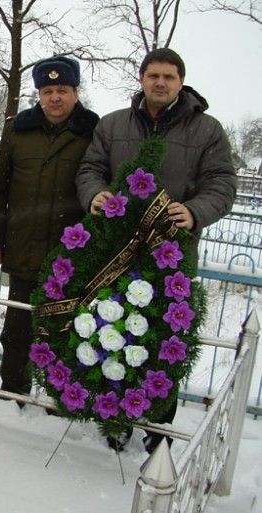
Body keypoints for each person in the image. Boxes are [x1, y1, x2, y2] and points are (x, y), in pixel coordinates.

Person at [76, 48, 237, 452]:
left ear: (181, 82)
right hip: (117, 253)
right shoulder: (113, 125)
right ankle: (116, 420)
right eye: (153, 76)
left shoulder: (207, 130)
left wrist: (196, 210)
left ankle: (158, 429)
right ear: (142, 78)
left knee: (162, 344)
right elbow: (90, 168)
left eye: (169, 76)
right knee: (114, 335)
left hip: (171, 259)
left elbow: (222, 182)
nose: (160, 83)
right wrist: (96, 194)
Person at [0, 56, 99, 402]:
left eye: (62, 90)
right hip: (23, 248)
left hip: (71, 255)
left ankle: (58, 400)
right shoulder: (18, 130)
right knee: (17, 329)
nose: (55, 98)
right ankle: (12, 394)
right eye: (48, 91)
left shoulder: (93, 132)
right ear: (39, 94)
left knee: (65, 332)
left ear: (75, 92)